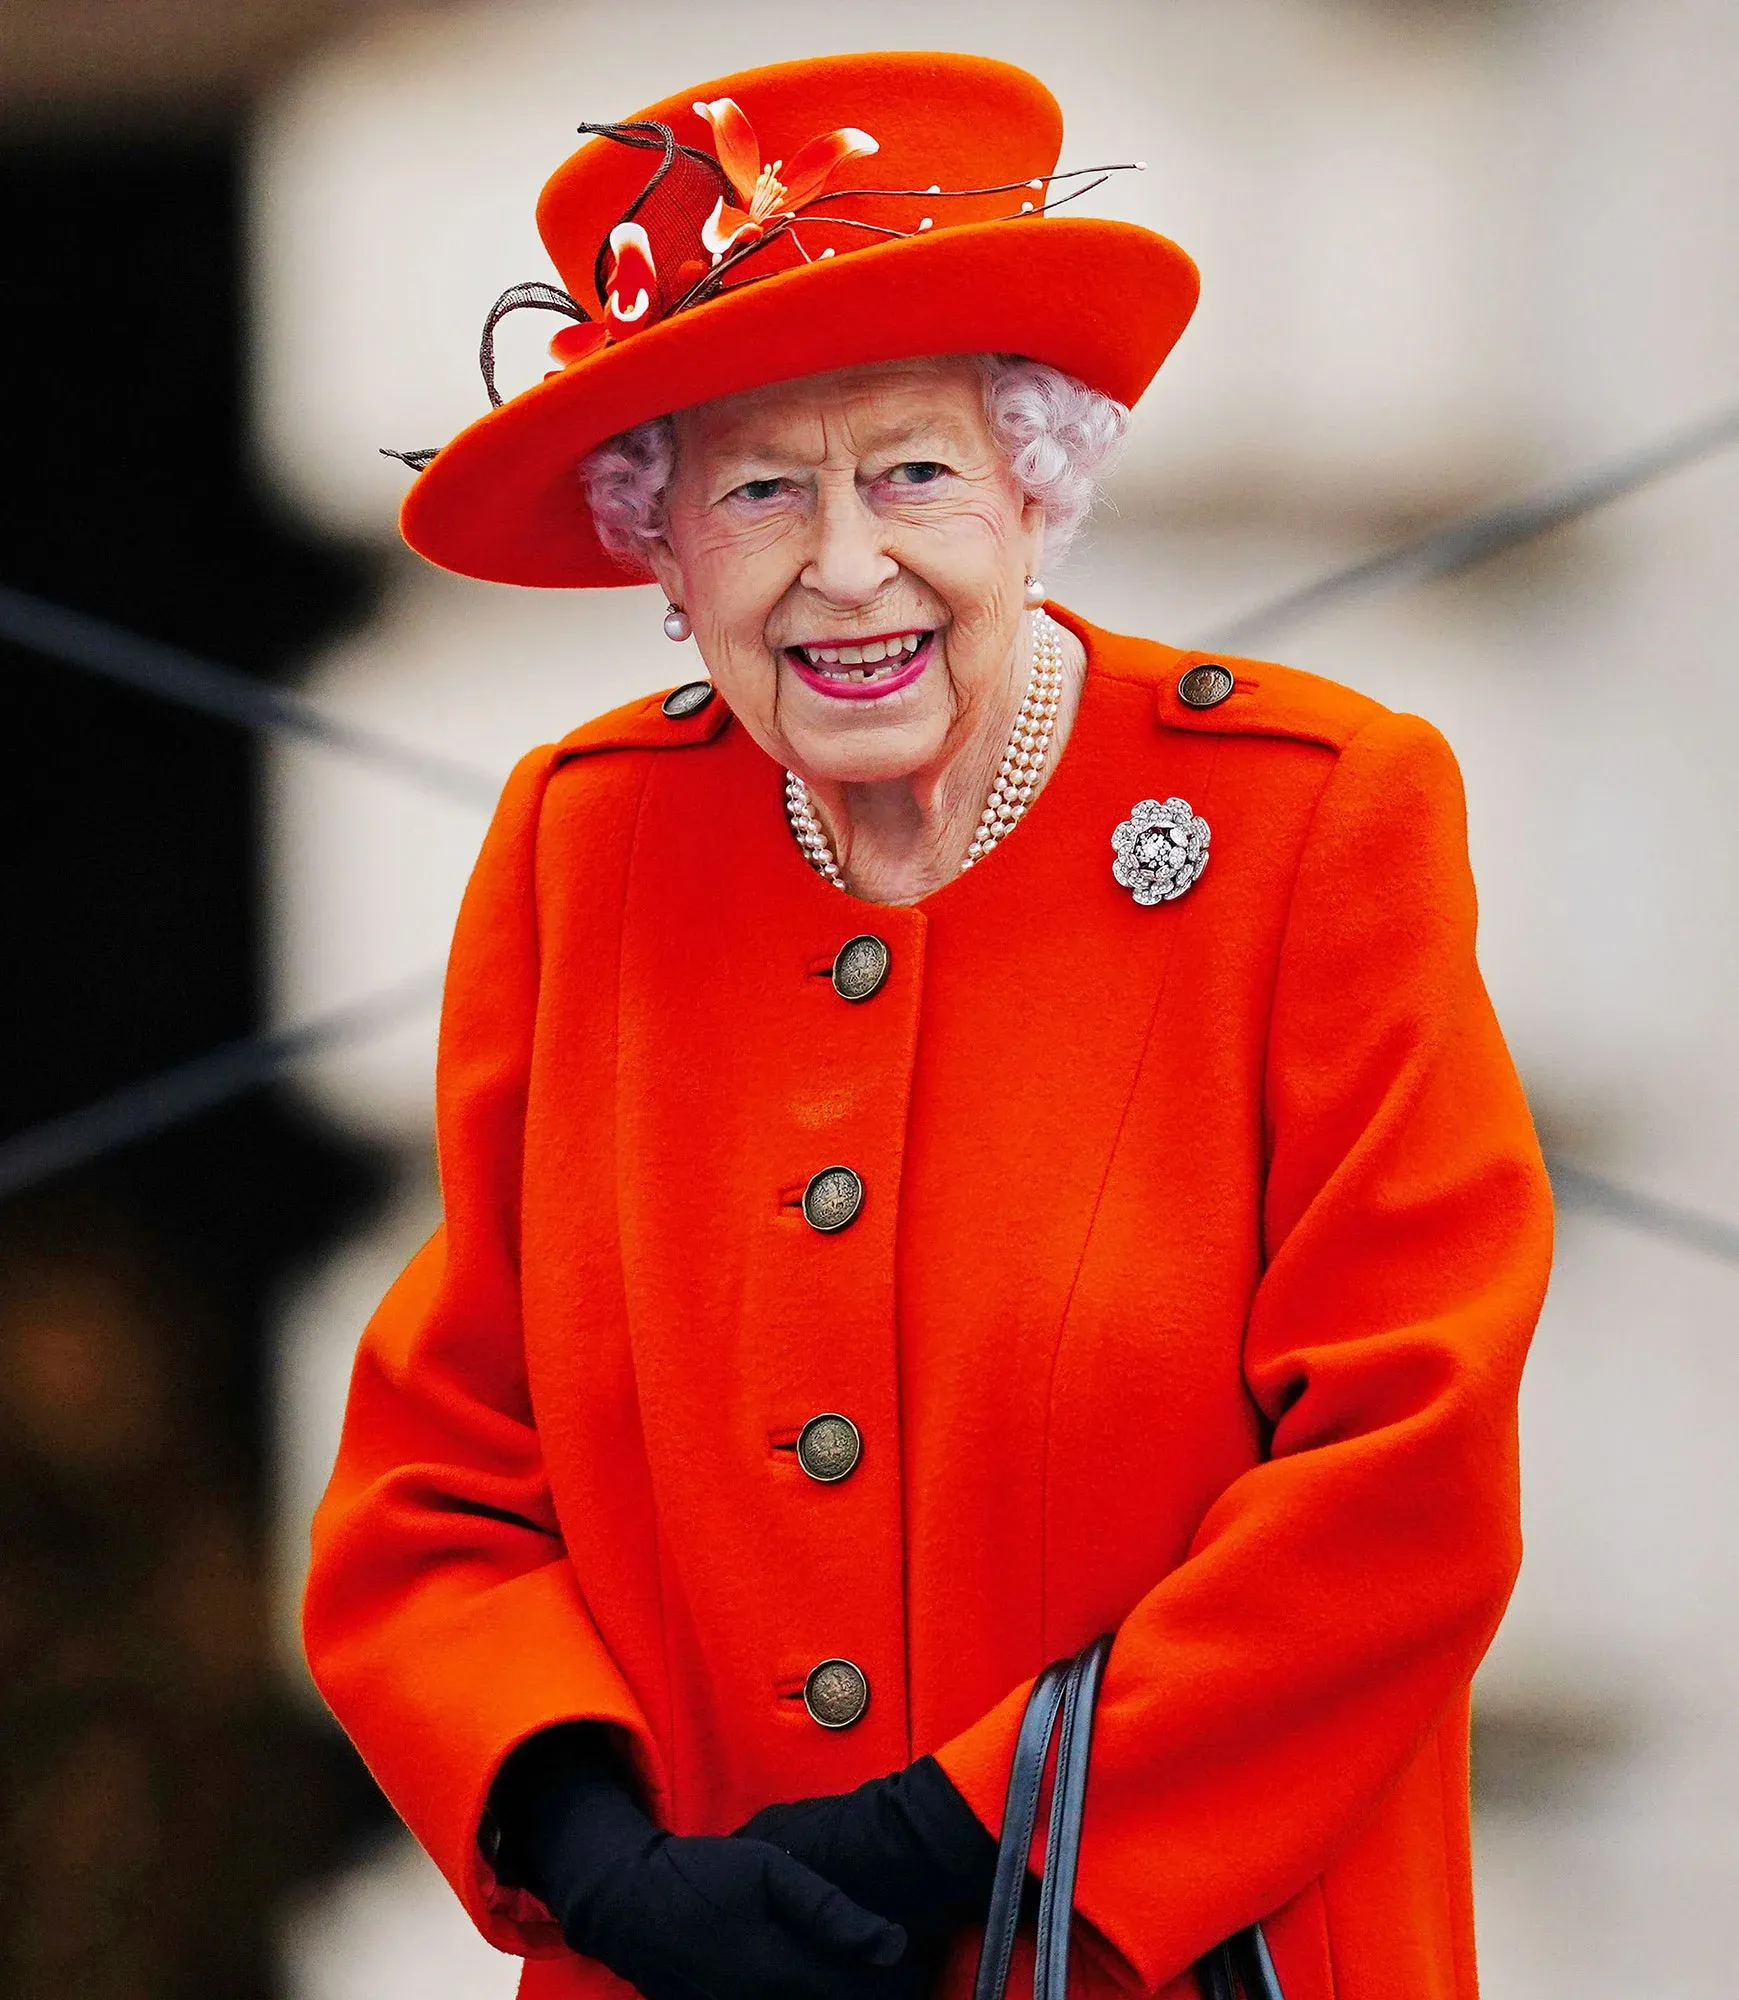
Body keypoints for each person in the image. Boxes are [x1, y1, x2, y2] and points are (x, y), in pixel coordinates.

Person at [304, 50, 1553, 2000]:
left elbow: (1404, 1466)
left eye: (910, 469)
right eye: (756, 489)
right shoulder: (586, 843)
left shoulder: (1308, 815)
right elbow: (439, 1482)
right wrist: (594, 1853)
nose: (843, 564)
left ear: (1036, 490)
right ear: (660, 542)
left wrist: (957, 1831)